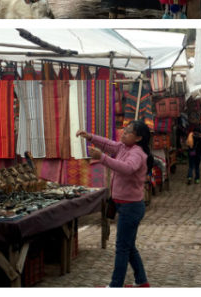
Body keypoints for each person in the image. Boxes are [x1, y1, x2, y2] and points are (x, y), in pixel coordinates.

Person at [77, 121, 152, 288]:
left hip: (131, 207)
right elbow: (108, 144)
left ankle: (115, 286)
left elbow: (127, 168)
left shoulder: (137, 154)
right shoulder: (123, 148)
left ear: (138, 138)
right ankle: (142, 282)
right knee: (129, 246)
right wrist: (90, 137)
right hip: (124, 205)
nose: (123, 133)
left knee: (122, 248)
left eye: (128, 132)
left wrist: (102, 158)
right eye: (124, 130)